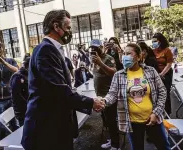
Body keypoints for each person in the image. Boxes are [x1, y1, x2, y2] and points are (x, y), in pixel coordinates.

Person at [21, 10, 105, 150]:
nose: (70, 32)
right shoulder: (45, 50)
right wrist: (91, 102)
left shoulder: (51, 49)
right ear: (56, 26)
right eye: (67, 28)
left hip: (54, 127)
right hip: (46, 131)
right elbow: (58, 90)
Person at [102, 43, 170, 150]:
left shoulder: (150, 71)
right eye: (124, 53)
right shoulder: (119, 75)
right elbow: (112, 95)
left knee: (164, 147)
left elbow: (162, 91)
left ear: (138, 57)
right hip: (132, 123)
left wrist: (156, 113)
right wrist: (103, 101)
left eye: (129, 53)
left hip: (153, 119)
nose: (124, 56)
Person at [90, 39, 119, 150]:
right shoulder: (94, 59)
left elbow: (113, 73)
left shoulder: (108, 58)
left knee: (111, 121)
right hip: (99, 95)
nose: (94, 50)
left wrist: (100, 63)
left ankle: (116, 145)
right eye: (92, 48)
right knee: (106, 120)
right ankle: (112, 140)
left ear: (101, 47)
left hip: (108, 95)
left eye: (96, 48)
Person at [0, 41, 19, 139]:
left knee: (15, 125)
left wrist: (3, 61)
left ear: (2, 48)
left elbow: (17, 71)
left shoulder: (10, 60)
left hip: (10, 97)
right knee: (2, 129)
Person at [152, 33, 173, 115]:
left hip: (166, 74)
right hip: (157, 74)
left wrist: (162, 74)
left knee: (165, 92)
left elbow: (169, 64)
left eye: (155, 41)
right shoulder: (153, 51)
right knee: (158, 93)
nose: (154, 43)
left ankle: (168, 112)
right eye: (152, 41)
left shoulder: (167, 50)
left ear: (160, 41)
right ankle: (159, 111)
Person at [10, 56, 30, 126]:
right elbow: (17, 97)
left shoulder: (29, 75)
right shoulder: (18, 77)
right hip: (24, 113)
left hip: (29, 111)